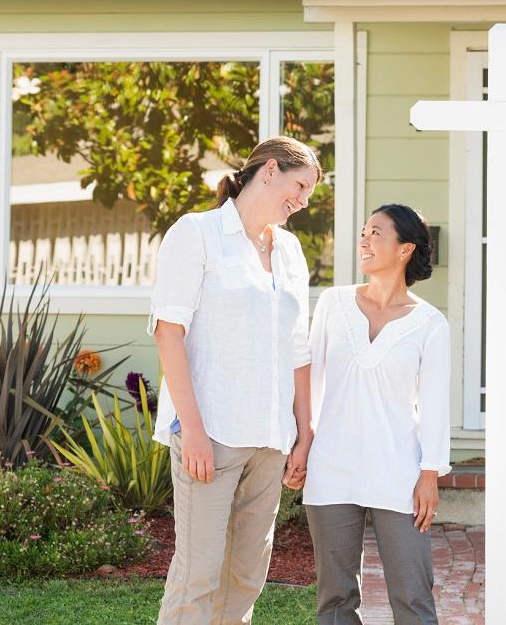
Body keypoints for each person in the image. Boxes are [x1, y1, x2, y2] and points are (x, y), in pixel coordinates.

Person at [148, 136, 322, 624]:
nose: (303, 202)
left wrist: (303, 435)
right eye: (300, 186)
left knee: (246, 577)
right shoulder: (197, 233)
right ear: (268, 171)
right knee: (197, 575)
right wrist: (193, 430)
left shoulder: (288, 251)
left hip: (269, 442)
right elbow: (168, 333)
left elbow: (298, 348)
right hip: (212, 435)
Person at [299, 203, 451, 625]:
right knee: (335, 600)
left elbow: (436, 406)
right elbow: (310, 381)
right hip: (331, 467)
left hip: (398, 472)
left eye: (376, 233)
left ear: (405, 249)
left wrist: (429, 475)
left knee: (413, 598)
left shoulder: (429, 323)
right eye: (364, 232)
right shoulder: (333, 303)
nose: (363, 240)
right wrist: (303, 444)